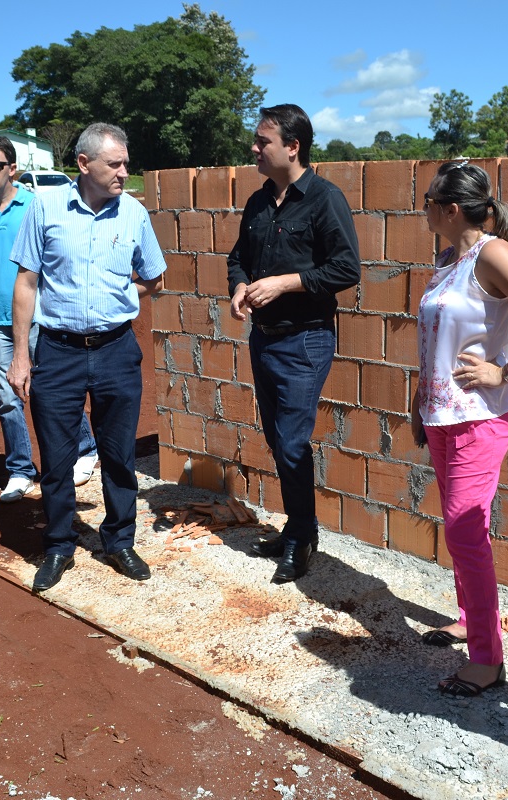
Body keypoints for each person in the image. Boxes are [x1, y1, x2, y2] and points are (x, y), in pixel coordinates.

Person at [412, 160, 508, 697]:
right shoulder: (448, 259)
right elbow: (437, 341)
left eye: (428, 203)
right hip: (442, 415)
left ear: (450, 209)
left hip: (478, 416)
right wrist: (419, 399)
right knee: (464, 529)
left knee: (462, 530)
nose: (425, 211)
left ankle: (487, 658)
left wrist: (506, 371)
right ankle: (470, 618)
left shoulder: (492, 253)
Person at [7, 122, 165, 591]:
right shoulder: (45, 207)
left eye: (125, 163)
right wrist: (20, 356)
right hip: (58, 352)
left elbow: (154, 277)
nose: (123, 172)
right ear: (84, 163)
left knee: (118, 454)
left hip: (117, 349)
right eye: (114, 164)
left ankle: (119, 541)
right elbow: (26, 283)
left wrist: (122, 295)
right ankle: (59, 545)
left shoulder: (133, 213)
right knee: (57, 458)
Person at [227, 104, 360, 583]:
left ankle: (302, 538)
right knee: (278, 440)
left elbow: (346, 269)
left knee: (291, 443)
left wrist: (285, 284)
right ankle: (296, 528)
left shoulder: (325, 199)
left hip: (306, 341)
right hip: (263, 339)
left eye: (263, 141)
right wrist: (240, 286)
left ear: (292, 147)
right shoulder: (259, 201)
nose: (254, 148)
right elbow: (238, 258)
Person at [0, 136, 98, 504]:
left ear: (12, 169)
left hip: (42, 317)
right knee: (7, 398)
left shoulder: (35, 206)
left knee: (53, 390)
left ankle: (85, 449)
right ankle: (20, 470)